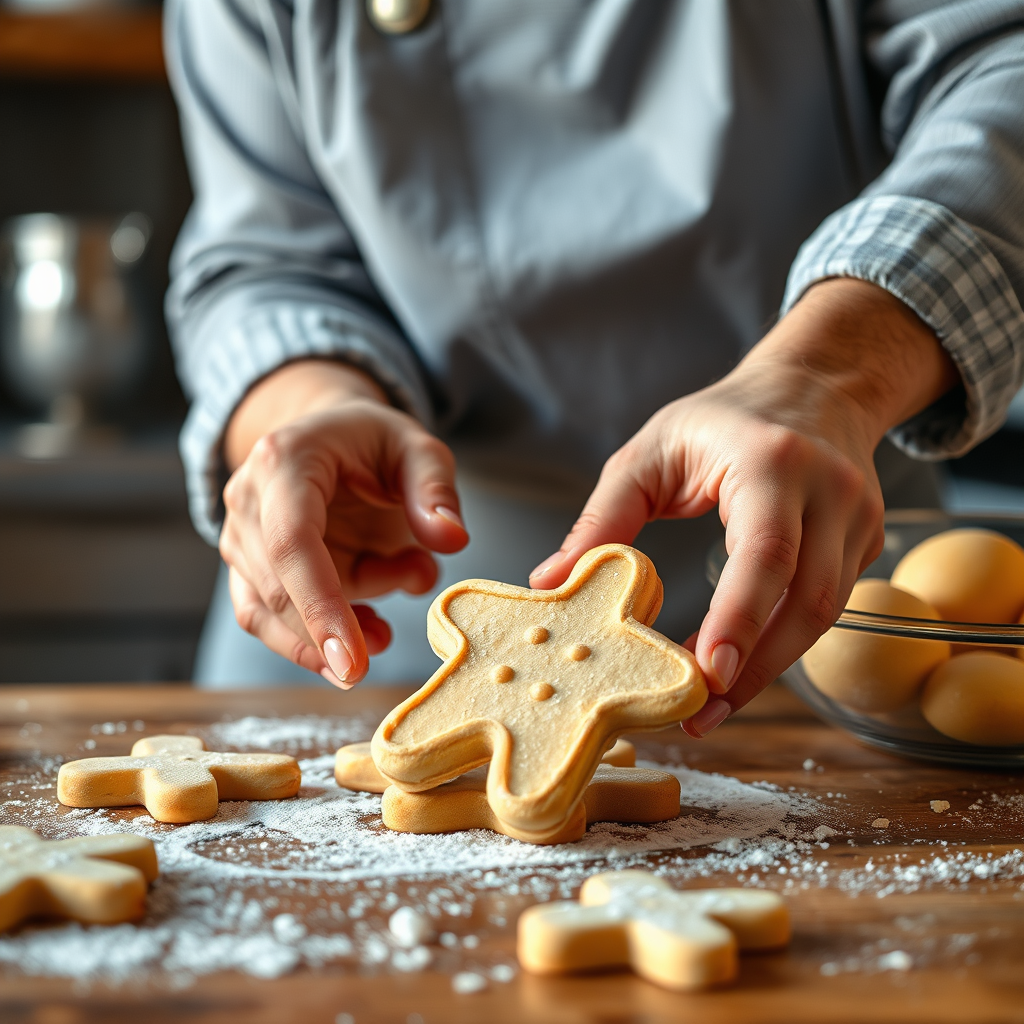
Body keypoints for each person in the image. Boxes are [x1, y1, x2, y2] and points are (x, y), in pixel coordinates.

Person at [165, 0, 1024, 738]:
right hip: (383, 630)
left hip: (825, 628)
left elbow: (1005, 69)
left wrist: (827, 377)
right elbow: (264, 256)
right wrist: (310, 400)